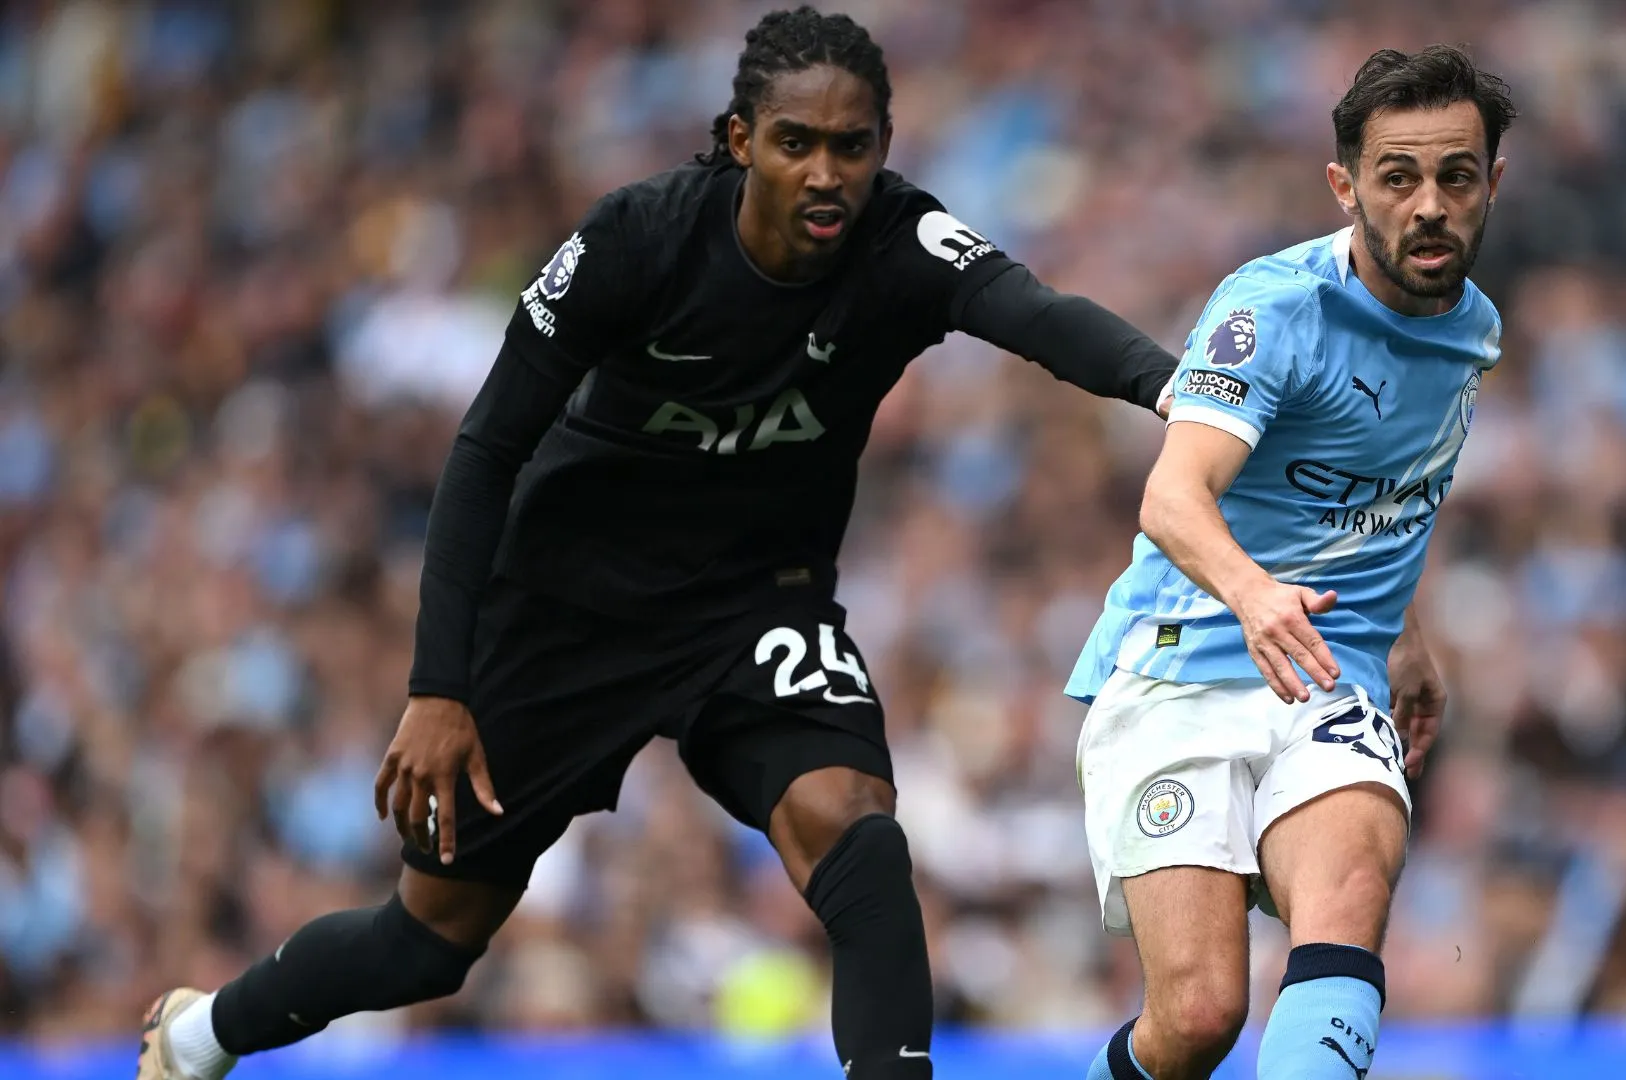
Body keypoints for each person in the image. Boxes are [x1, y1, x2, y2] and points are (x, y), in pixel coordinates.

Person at [136, 8, 1177, 1080]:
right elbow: (488, 447)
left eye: (852, 147)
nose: (826, 174)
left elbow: (1040, 316)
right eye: (795, 143)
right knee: (428, 941)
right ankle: (199, 1034)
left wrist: (1178, 387)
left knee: (858, 830)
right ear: (739, 141)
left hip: (754, 607)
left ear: (882, 149)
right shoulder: (636, 239)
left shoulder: (903, 243)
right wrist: (437, 686)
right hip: (565, 611)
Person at [1064, 45, 1514, 1080]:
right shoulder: (1272, 311)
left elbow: (1386, 488)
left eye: (1456, 175)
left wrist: (1402, 630)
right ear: (1345, 185)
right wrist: (1257, 593)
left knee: (1349, 893)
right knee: (1199, 1017)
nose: (1430, 205)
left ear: (1493, 181)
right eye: (1398, 177)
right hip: (1183, 663)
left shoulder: (1476, 331)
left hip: (1329, 674)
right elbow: (1172, 497)